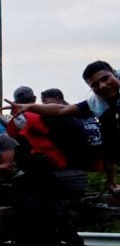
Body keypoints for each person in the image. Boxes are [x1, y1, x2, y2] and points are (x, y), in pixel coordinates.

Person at [8, 61, 119, 192]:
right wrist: (29, 107)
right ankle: (111, 182)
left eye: (105, 78)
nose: (103, 86)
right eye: (95, 85)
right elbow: (61, 110)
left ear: (114, 74)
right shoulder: (97, 103)